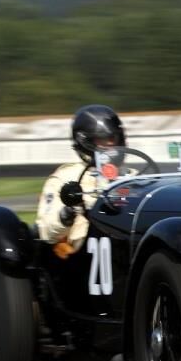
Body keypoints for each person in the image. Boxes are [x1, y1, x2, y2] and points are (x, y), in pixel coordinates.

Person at [36, 104, 126, 259]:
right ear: (86, 142)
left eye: (113, 138)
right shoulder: (65, 177)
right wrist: (66, 215)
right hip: (84, 257)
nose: (111, 144)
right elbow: (46, 231)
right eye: (103, 140)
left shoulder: (131, 176)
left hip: (128, 243)